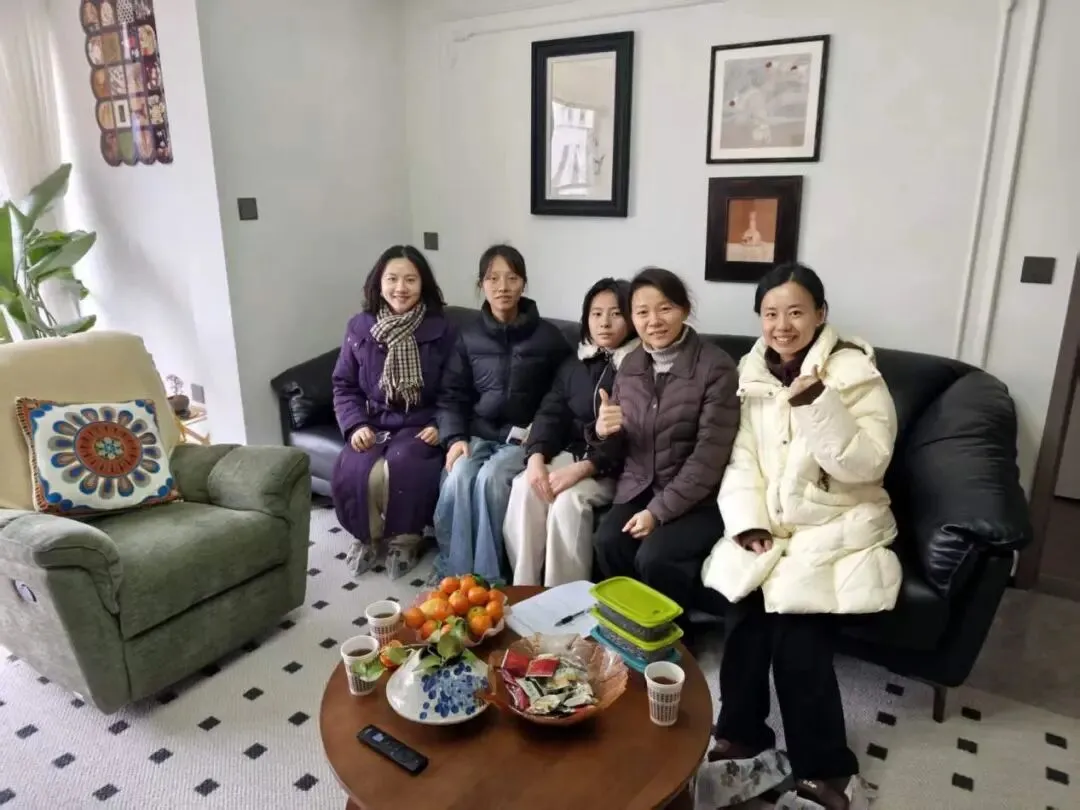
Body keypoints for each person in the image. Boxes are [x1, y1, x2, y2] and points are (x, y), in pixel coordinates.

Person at [700, 262, 902, 810]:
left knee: (798, 640)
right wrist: (748, 523)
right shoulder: (752, 372)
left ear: (820, 314)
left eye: (795, 312)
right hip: (771, 526)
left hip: (838, 524)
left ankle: (828, 769)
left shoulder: (855, 373)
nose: (782, 325)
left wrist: (817, 402)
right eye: (770, 314)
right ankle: (743, 736)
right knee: (742, 619)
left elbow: (868, 463)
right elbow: (741, 458)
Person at [590, 267, 740, 607]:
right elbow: (621, 445)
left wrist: (657, 512)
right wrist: (601, 431)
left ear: (684, 309)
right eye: (642, 312)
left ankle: (675, 629)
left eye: (665, 308)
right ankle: (634, 621)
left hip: (700, 500)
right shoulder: (631, 364)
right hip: (639, 486)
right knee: (608, 541)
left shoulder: (716, 367)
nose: (654, 321)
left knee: (654, 557)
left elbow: (708, 458)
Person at [433, 244, 571, 583]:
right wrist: (454, 438)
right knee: (459, 474)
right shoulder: (468, 336)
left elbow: (562, 395)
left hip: (524, 438)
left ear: (524, 283)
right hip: (477, 432)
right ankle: (454, 574)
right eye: (492, 278)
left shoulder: (549, 338)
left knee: (491, 479)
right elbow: (451, 394)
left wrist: (541, 436)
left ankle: (488, 579)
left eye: (511, 278)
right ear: (481, 284)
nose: (502, 287)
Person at [503, 278, 640, 586]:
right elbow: (550, 412)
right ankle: (524, 588)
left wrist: (585, 468)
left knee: (568, 501)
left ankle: (564, 598)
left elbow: (635, 438)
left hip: (616, 468)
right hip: (574, 453)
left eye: (616, 314)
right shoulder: (577, 361)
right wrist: (536, 456)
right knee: (526, 485)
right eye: (596, 314)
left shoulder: (640, 366)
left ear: (631, 317)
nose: (604, 323)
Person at [331, 245, 456, 579]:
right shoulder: (359, 327)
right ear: (379, 283)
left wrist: (441, 424)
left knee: (403, 466)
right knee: (359, 467)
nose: (401, 288)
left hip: (421, 422)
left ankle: (405, 540)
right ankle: (366, 537)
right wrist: (355, 424)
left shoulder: (442, 329)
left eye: (410, 280)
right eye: (392, 279)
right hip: (374, 421)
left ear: (423, 284)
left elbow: (455, 388)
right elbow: (344, 384)